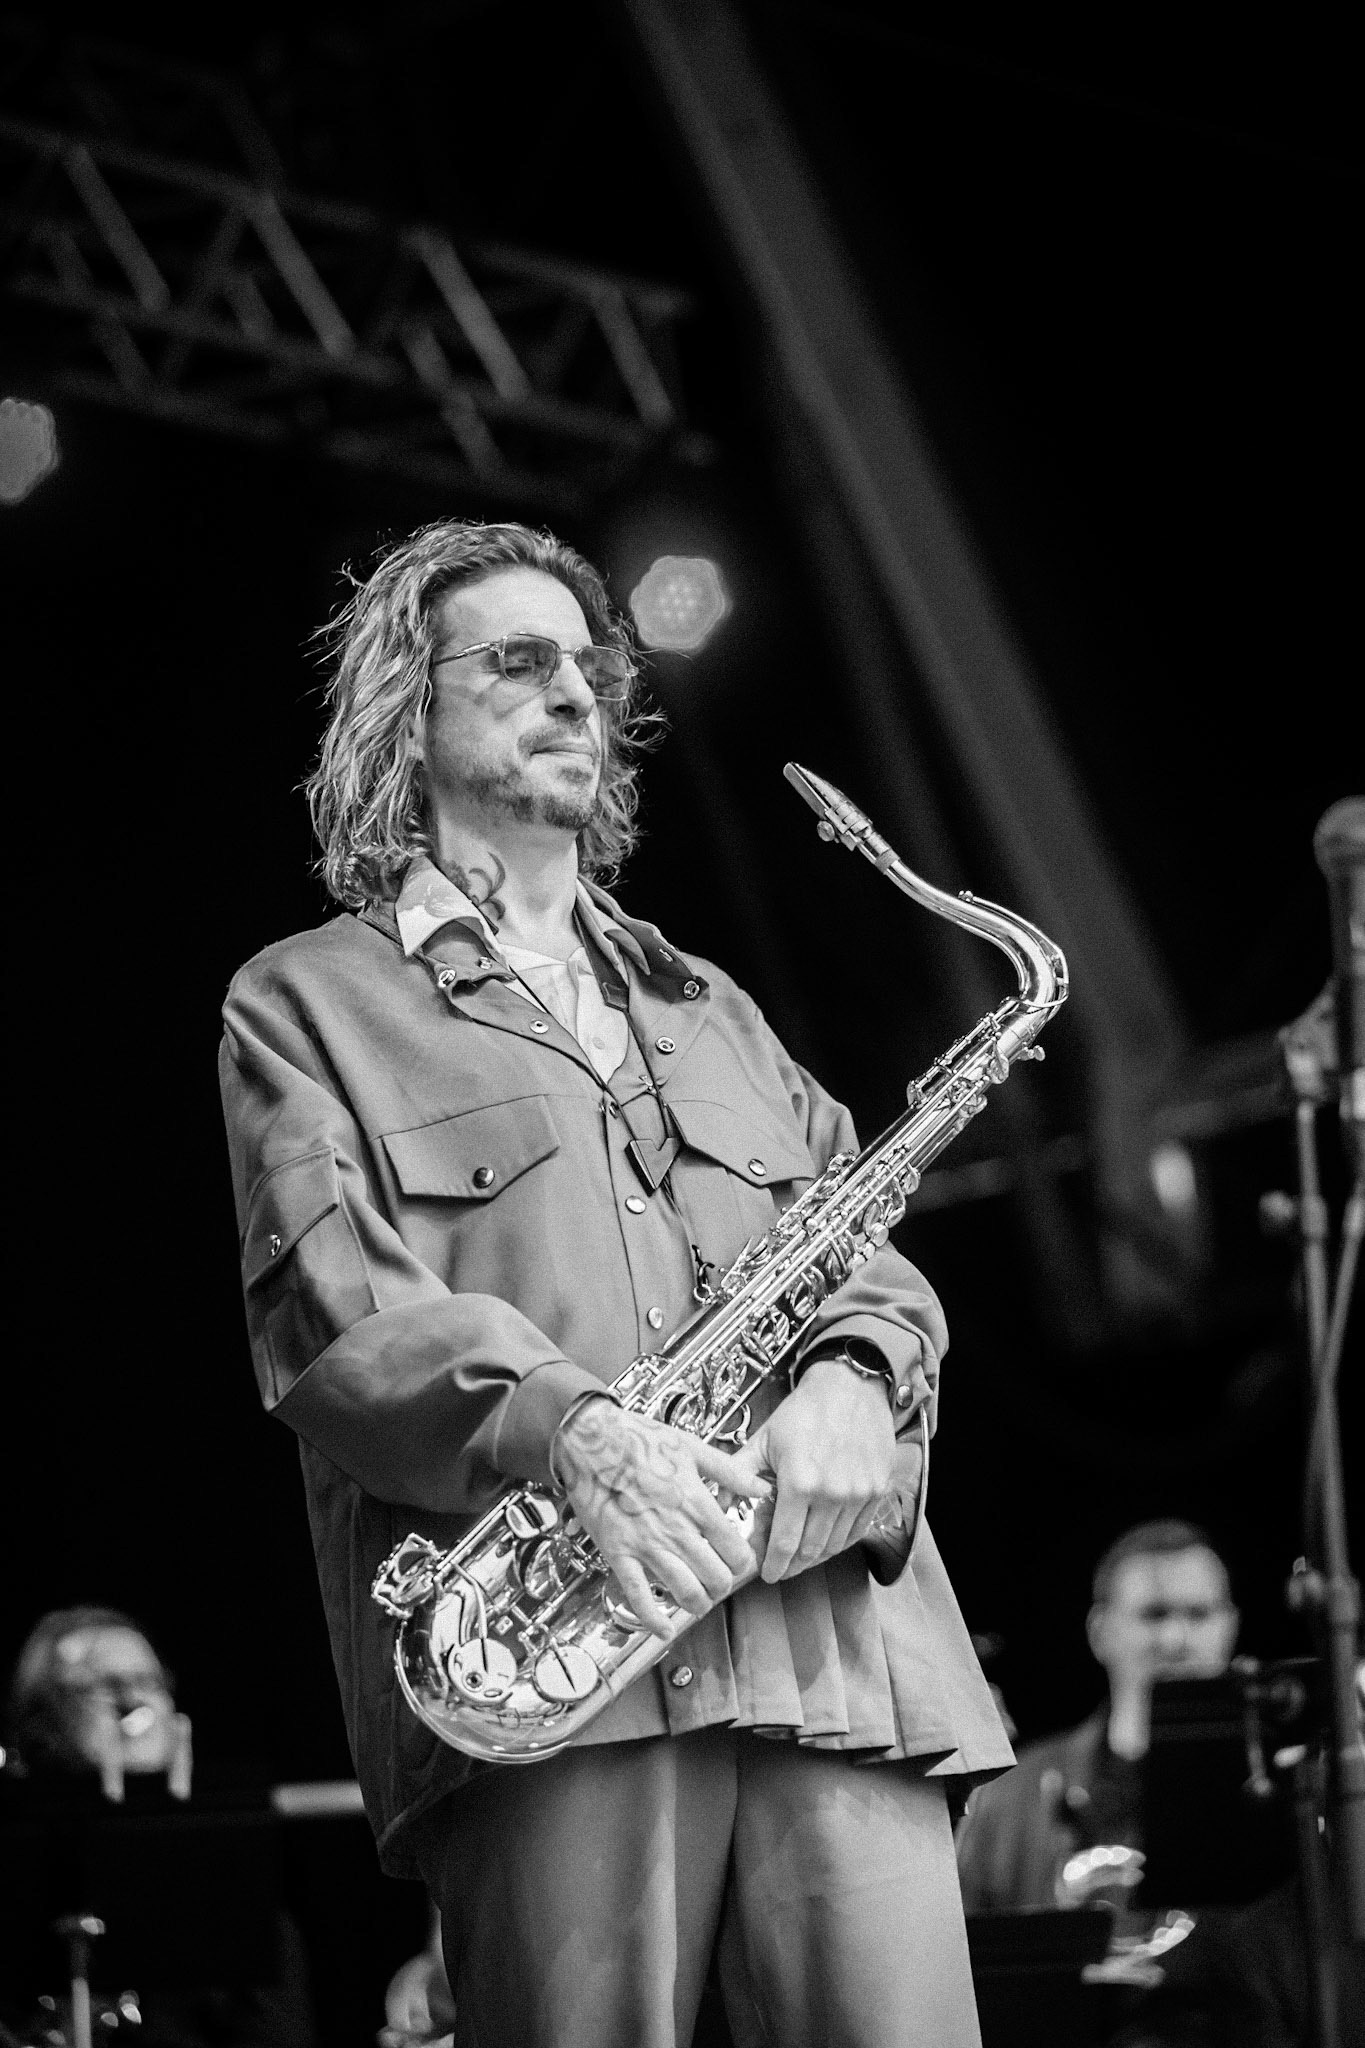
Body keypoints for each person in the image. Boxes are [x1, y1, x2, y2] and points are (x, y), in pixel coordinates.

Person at [218, 517, 1013, 2048]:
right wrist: (574, 1429)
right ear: (407, 708)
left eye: (589, 669)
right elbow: (332, 1310)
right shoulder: (305, 1002)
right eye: (519, 663)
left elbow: (872, 1256)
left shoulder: (712, 1010)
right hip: (556, 1662)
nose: (576, 696)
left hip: (839, 1654)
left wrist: (857, 1383)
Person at [955, 1520, 1239, 1916]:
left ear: (1231, 1625)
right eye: (1153, 1615)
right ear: (1099, 1631)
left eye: (1198, 1614)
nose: (1175, 1640)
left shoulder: (1285, 1793)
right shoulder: (1009, 1796)